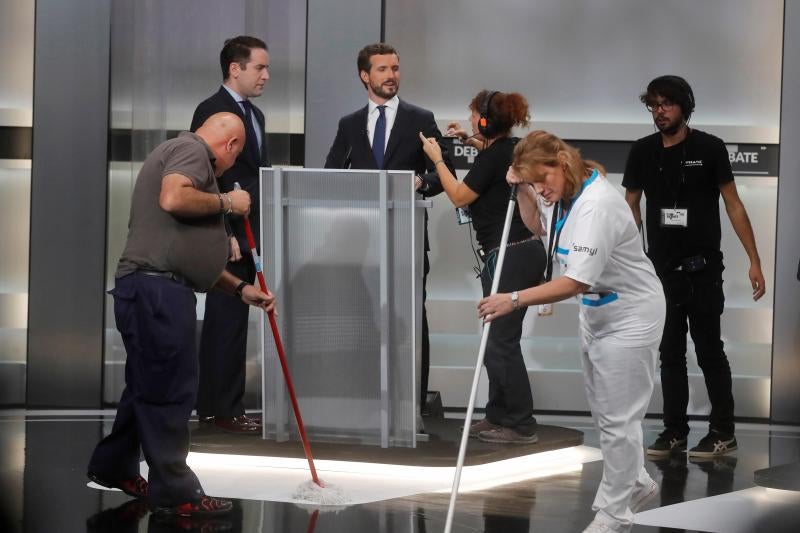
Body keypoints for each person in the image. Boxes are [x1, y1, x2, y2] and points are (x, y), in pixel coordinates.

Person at [87, 112, 275, 516]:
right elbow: (172, 198)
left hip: (152, 288)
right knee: (170, 392)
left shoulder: (182, 153)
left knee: (148, 387)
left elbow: (186, 253)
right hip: (158, 292)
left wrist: (240, 289)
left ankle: (112, 465)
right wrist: (229, 202)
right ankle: (177, 491)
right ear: (231, 147)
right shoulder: (192, 151)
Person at [477, 131, 666, 533]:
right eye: (533, 182)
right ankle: (634, 481)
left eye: (542, 179)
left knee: (619, 418)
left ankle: (615, 515)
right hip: (599, 312)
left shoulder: (595, 205)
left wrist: (512, 299)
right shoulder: (560, 195)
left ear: (561, 163)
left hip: (631, 315)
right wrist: (525, 190)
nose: (541, 189)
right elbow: (539, 229)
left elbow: (576, 281)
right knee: (606, 413)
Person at [623, 75, 766, 458]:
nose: (659, 111)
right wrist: (625, 261)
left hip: (703, 269)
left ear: (684, 106)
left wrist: (754, 260)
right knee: (669, 354)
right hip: (660, 272)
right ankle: (674, 431)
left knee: (709, 351)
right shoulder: (641, 152)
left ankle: (722, 431)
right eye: (653, 105)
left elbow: (733, 204)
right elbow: (629, 207)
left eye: (667, 103)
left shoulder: (711, 147)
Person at [324, 42, 454, 414]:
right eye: (382, 69)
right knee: (362, 316)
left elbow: (444, 175)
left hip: (407, 237)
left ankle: (411, 401)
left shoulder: (421, 118)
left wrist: (419, 182)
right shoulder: (350, 124)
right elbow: (332, 173)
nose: (391, 75)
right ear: (365, 76)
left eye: (395, 68)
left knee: (411, 317)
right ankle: (365, 396)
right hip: (360, 240)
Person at [418, 90, 545, 443]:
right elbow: (492, 158)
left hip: (510, 254)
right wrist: (470, 140)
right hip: (515, 254)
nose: (472, 120)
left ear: (486, 120)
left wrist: (437, 160)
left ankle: (520, 423)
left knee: (501, 342)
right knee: (497, 339)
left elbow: (459, 196)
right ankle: (497, 415)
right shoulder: (505, 150)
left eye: (474, 115)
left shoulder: (494, 157)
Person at [191, 36, 270, 434]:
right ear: (234, 69)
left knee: (235, 321)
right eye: (259, 67)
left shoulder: (255, 115)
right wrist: (224, 231)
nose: (266, 75)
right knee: (224, 320)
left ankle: (222, 405)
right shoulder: (211, 112)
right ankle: (219, 409)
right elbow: (201, 178)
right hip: (229, 234)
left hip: (252, 232)